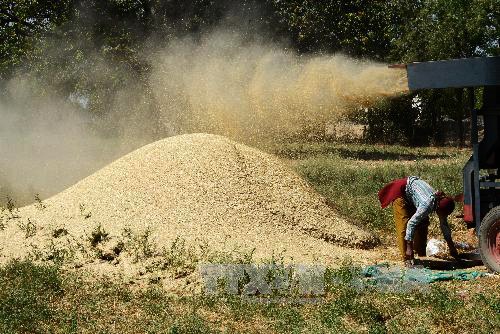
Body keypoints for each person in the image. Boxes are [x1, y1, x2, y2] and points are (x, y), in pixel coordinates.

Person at [378, 176, 458, 264]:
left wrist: (452, 247)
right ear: (438, 208)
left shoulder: (440, 202)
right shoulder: (427, 205)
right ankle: (407, 258)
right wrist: (409, 248)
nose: (442, 217)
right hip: (401, 193)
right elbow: (411, 224)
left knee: (423, 223)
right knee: (404, 224)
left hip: (412, 195)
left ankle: (421, 255)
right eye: (442, 215)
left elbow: (444, 225)